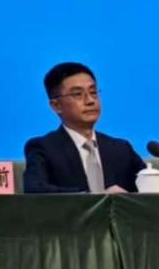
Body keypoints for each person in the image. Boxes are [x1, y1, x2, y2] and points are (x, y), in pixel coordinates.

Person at [23, 61, 145, 194]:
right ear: (56, 105)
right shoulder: (43, 148)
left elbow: (150, 189)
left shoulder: (121, 149)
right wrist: (92, 198)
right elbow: (35, 190)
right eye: (78, 94)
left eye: (93, 92)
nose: (90, 101)